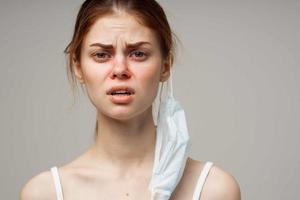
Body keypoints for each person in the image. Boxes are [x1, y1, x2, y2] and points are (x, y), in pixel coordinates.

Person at [20, 0, 241, 199]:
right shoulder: (44, 193)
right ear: (78, 67)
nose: (120, 70)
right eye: (101, 55)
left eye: (138, 54)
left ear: (165, 66)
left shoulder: (213, 189)